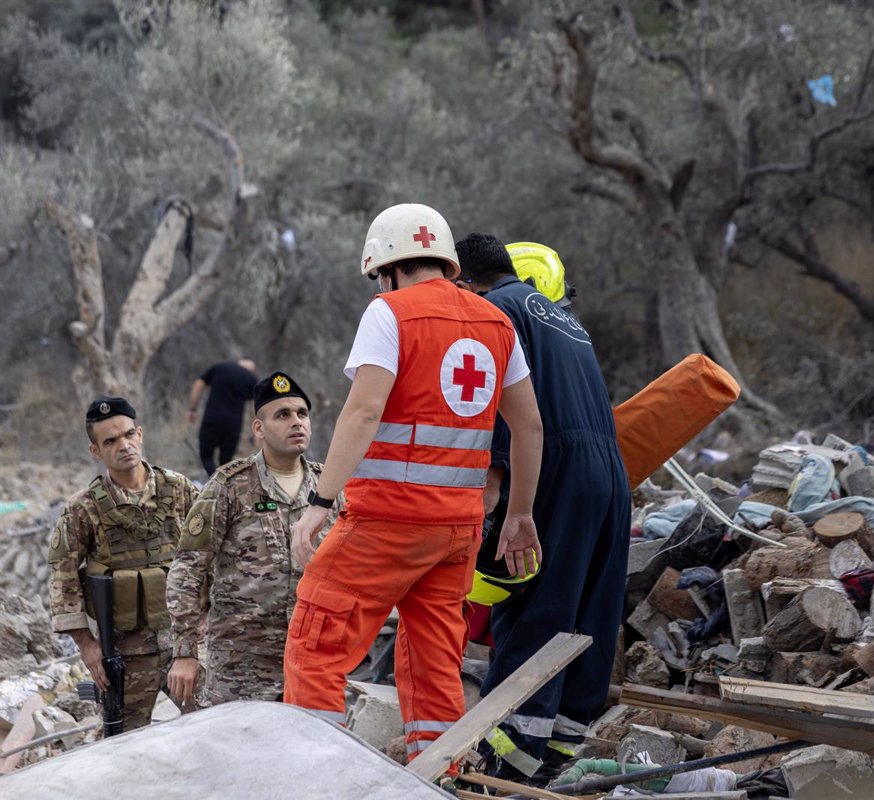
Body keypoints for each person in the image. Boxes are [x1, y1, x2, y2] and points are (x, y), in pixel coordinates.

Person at [282, 203, 544, 772]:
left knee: (316, 641)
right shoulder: (497, 324)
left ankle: (311, 778)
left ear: (388, 268)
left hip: (386, 522)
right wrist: (520, 512)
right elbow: (528, 425)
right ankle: (439, 778)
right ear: (444, 260)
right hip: (457, 531)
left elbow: (364, 411)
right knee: (433, 664)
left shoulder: (388, 313)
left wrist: (319, 503)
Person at [455, 235, 631, 782]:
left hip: (553, 468)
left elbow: (508, 409)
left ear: (464, 281)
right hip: (608, 475)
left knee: (535, 605)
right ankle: (557, 757)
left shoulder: (491, 310)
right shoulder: (563, 318)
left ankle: (499, 765)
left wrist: (498, 502)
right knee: (587, 612)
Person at [166, 371, 341, 707]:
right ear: (258, 429)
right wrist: (184, 652)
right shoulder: (230, 485)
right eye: (283, 415)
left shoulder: (329, 487)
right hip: (241, 666)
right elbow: (188, 569)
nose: (296, 422)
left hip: (312, 661)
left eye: (302, 414)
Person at [48, 397, 198, 730]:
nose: (124, 445)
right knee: (124, 744)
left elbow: (208, 556)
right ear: (95, 451)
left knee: (213, 726)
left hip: (185, 643)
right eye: (110, 441)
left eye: (129, 435)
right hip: (126, 653)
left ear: (140, 434)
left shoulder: (180, 490)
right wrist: (87, 646)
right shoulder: (82, 509)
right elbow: (64, 580)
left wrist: (206, 623)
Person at [188, 358, 257, 475]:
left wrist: (192, 409)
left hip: (212, 419)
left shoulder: (220, 367)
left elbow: (198, 384)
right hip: (234, 424)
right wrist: (255, 428)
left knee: (206, 455)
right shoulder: (251, 378)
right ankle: (221, 486)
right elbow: (255, 406)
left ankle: (213, 481)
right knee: (226, 460)